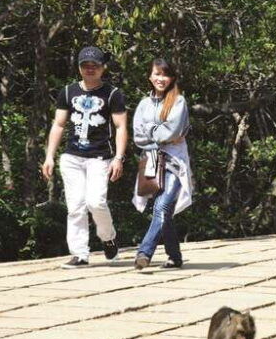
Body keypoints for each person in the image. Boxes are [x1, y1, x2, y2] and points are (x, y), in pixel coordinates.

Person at [41, 46, 127, 268]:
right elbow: (59, 124)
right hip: (72, 157)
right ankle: (80, 253)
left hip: (100, 157)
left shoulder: (112, 94)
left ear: (102, 67)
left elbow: (121, 127)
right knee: (76, 206)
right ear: (79, 67)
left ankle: (108, 238)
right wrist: (50, 156)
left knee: (96, 202)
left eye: (95, 65)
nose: (90, 69)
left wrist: (119, 158)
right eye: (85, 65)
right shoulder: (68, 92)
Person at [132, 59, 193, 270]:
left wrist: (152, 130)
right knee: (163, 211)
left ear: (172, 78)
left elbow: (174, 131)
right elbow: (138, 136)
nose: (160, 79)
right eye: (156, 74)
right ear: (150, 76)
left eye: (164, 75)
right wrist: (160, 131)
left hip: (175, 162)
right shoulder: (143, 104)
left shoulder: (178, 102)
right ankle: (175, 256)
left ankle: (144, 252)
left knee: (162, 206)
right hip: (152, 162)